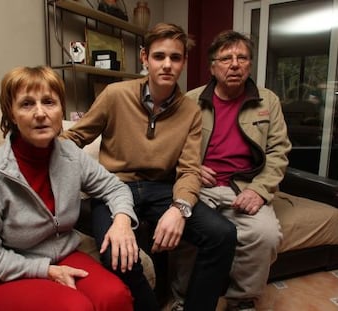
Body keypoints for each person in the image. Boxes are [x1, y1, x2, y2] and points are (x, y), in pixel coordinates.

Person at [62, 23, 237, 311]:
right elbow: (75, 138)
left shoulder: (191, 111)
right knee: (116, 254)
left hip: (161, 190)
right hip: (113, 189)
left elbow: (190, 170)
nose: (167, 64)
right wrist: (37, 144)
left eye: (175, 57)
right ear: (144, 58)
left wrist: (180, 208)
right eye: (159, 56)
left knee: (223, 234)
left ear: (184, 62)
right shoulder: (115, 94)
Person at [0, 66, 139, 311]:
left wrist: (121, 221)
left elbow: (114, 187)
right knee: (75, 308)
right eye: (26, 104)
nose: (40, 113)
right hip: (2, 274)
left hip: (63, 255)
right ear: (11, 114)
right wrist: (45, 270)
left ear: (61, 110)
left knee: (115, 296)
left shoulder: (71, 156)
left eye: (49, 102)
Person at [183, 30, 292, 310]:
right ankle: (181, 298)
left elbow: (279, 151)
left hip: (244, 187)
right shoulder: (191, 100)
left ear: (250, 65)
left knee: (266, 235)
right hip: (201, 187)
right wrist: (194, 168)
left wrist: (259, 189)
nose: (234, 64)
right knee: (182, 226)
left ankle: (242, 300)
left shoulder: (268, 101)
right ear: (212, 67)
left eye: (242, 57)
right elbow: (172, 146)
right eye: (226, 58)